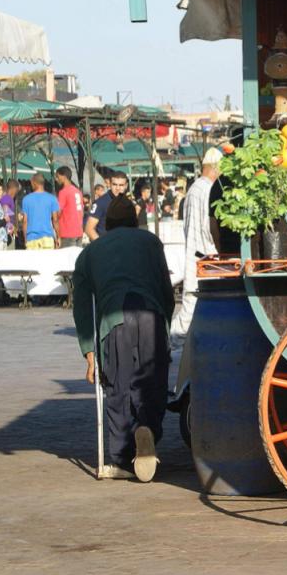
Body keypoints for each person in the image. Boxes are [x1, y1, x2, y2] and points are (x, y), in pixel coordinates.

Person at [72, 196, 175, 481]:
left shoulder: (90, 253)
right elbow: (166, 290)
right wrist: (164, 325)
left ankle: (119, 456)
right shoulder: (151, 243)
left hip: (113, 322)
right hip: (151, 314)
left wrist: (89, 351)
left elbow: (81, 306)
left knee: (117, 387)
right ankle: (148, 430)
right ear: (134, 220)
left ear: (106, 223)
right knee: (153, 385)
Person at [169, 149, 221, 368]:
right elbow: (209, 227)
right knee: (191, 308)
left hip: (197, 253)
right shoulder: (206, 189)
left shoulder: (194, 189)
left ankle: (170, 344)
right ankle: (168, 344)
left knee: (191, 306)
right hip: (203, 254)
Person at [21, 173, 60, 250]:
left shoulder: (26, 199)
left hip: (31, 238)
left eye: (31, 183)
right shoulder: (52, 198)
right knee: (47, 262)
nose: (31, 185)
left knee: (33, 262)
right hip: (47, 237)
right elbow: (55, 220)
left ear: (34, 183)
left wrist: (25, 238)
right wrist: (58, 237)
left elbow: (25, 221)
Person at [85, 172, 129, 241]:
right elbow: (89, 229)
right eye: (115, 184)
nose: (117, 188)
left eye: (121, 185)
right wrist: (103, 245)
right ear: (110, 185)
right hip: (107, 247)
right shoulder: (101, 203)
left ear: (126, 186)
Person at [55, 166, 85, 247]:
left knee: (67, 259)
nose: (56, 179)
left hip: (67, 232)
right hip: (79, 231)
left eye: (57, 177)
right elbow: (81, 212)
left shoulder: (63, 192)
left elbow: (58, 212)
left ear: (63, 177)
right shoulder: (77, 191)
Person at [0, 180, 19, 247]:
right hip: (6, 233)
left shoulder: (5, 197)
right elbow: (5, 211)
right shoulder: (7, 197)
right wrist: (10, 228)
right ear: (13, 189)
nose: (16, 193)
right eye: (16, 191)